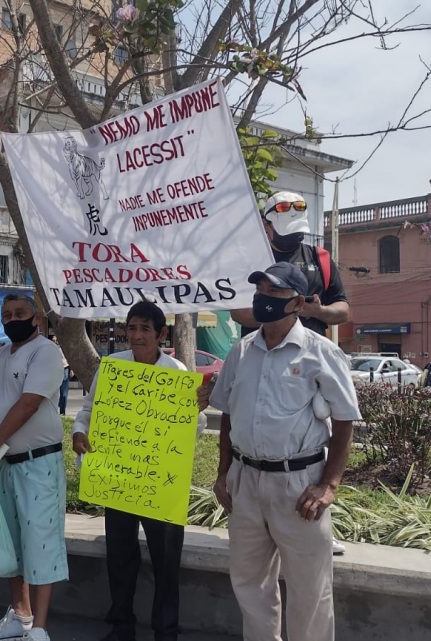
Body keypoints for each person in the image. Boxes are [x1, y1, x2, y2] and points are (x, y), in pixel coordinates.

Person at [208, 262, 360, 641]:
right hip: (246, 481)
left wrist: (329, 486)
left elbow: (344, 422)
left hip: (299, 485)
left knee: (310, 589)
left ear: (298, 302)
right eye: (260, 290)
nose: (264, 299)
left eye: (274, 293)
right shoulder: (241, 351)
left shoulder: (321, 352)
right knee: (249, 582)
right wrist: (223, 472)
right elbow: (229, 414)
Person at [71, 300, 207, 641]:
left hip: (161, 483)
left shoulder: (176, 372)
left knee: (165, 561)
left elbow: (197, 426)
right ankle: (121, 626)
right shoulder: (112, 367)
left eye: (145, 328)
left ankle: (166, 631)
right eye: (131, 327)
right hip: (119, 479)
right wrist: (78, 432)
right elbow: (90, 410)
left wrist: (192, 411)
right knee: (120, 556)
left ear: (161, 334)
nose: (136, 335)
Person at [0, 294, 68, 641]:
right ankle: (20, 615)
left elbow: (28, 403)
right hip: (4, 466)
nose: (12, 319)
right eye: (6, 314)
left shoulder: (45, 352)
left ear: (36, 319)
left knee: (40, 542)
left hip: (38, 462)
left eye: (20, 313)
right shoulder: (0, 355)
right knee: (10, 543)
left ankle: (40, 628)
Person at [232, 191, 350, 336]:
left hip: (309, 351)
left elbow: (343, 311)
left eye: (297, 231)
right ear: (266, 225)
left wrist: (317, 311)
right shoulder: (250, 260)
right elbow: (239, 314)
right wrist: (287, 309)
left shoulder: (320, 258)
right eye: (287, 232)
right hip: (263, 350)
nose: (293, 236)